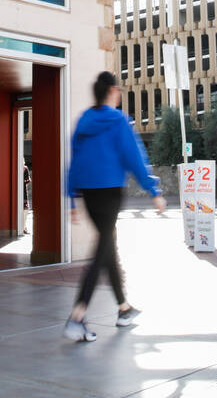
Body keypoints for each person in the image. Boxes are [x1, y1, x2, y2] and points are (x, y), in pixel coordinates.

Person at [63, 71, 166, 343]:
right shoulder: (118, 120)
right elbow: (134, 157)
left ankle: (123, 308)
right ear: (111, 91)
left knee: (107, 246)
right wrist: (154, 190)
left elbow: (74, 160)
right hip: (109, 192)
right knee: (101, 251)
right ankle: (77, 315)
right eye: (117, 89)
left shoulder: (83, 121)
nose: (119, 93)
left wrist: (72, 198)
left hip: (88, 193)